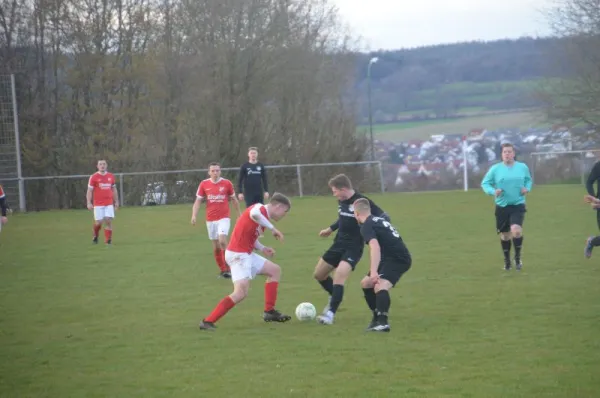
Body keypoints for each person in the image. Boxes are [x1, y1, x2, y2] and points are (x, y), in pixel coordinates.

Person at [199, 193, 293, 331]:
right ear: (279, 206)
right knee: (240, 293)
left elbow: (251, 236)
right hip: (238, 255)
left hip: (246, 254)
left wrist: (263, 248)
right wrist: (273, 229)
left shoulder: (264, 217)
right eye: (285, 212)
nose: (284, 215)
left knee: (274, 270)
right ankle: (207, 322)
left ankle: (269, 312)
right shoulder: (259, 209)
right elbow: (254, 214)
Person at [313, 174, 389, 325]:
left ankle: (330, 314)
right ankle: (334, 295)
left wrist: (376, 232)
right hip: (338, 244)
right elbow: (343, 217)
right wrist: (330, 229)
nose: (334, 194)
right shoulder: (341, 201)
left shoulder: (362, 202)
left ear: (343, 189)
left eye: (335, 191)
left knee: (339, 275)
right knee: (319, 274)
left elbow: (384, 216)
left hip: (353, 247)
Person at [354, 198, 412, 332]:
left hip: (398, 259)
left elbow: (375, 247)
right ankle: (376, 319)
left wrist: (373, 271)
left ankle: (383, 322)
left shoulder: (367, 225)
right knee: (366, 283)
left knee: (380, 285)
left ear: (356, 214)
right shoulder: (377, 220)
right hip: (389, 257)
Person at [481, 143, 532, 270]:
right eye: (505, 152)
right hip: (502, 206)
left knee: (516, 231)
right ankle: (507, 261)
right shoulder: (495, 169)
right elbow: (485, 183)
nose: (507, 154)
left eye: (509, 152)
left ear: (514, 154)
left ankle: (518, 258)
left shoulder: (522, 167)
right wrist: (493, 191)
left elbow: (528, 180)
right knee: (505, 236)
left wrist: (527, 188)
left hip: (518, 204)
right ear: (502, 154)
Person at [191, 162, 241, 278]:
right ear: (209, 172)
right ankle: (223, 270)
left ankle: (230, 267)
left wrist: (239, 214)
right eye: (213, 171)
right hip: (210, 219)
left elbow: (234, 199)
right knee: (216, 246)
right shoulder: (204, 184)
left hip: (224, 218)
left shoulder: (227, 183)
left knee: (222, 240)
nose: (215, 173)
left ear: (220, 171)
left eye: (217, 170)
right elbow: (198, 201)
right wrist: (194, 215)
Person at [87, 160, 119, 244]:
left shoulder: (111, 176)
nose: (102, 166)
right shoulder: (93, 177)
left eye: (104, 164)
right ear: (97, 166)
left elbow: (114, 189)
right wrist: (89, 202)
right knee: (99, 222)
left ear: (106, 165)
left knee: (108, 220)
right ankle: (95, 235)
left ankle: (108, 240)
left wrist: (116, 201)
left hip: (109, 203)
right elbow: (89, 191)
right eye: (100, 164)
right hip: (98, 204)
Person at [584, 158, 600, 258]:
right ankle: (591, 241)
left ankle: (591, 241)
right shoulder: (598, 166)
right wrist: (593, 198)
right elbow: (589, 182)